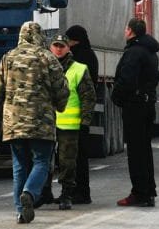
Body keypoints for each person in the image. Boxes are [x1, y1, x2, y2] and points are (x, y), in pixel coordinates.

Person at [0, 21, 69, 224]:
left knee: (19, 166)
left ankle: (21, 212)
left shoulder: (8, 58)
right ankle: (30, 193)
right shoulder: (48, 58)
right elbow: (61, 89)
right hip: (41, 123)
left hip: (13, 123)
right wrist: (60, 106)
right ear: (40, 37)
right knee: (41, 162)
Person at [112, 18, 159, 208]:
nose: (125, 31)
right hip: (148, 104)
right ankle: (148, 191)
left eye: (126, 28)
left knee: (135, 152)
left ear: (131, 31)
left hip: (135, 106)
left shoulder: (134, 52)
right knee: (145, 150)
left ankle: (140, 193)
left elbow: (127, 80)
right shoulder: (150, 51)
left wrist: (117, 97)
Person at [47, 34, 96, 210]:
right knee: (44, 161)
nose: (59, 49)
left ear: (68, 48)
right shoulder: (43, 68)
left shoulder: (79, 69)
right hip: (47, 123)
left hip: (70, 125)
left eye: (62, 46)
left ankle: (67, 194)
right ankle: (44, 193)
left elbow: (88, 97)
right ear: (50, 48)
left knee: (67, 162)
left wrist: (85, 121)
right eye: (56, 45)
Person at [64, 25, 100, 204]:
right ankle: (80, 191)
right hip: (80, 114)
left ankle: (80, 192)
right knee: (78, 156)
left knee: (76, 157)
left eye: (69, 40)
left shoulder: (78, 58)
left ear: (75, 40)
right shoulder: (90, 55)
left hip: (75, 114)